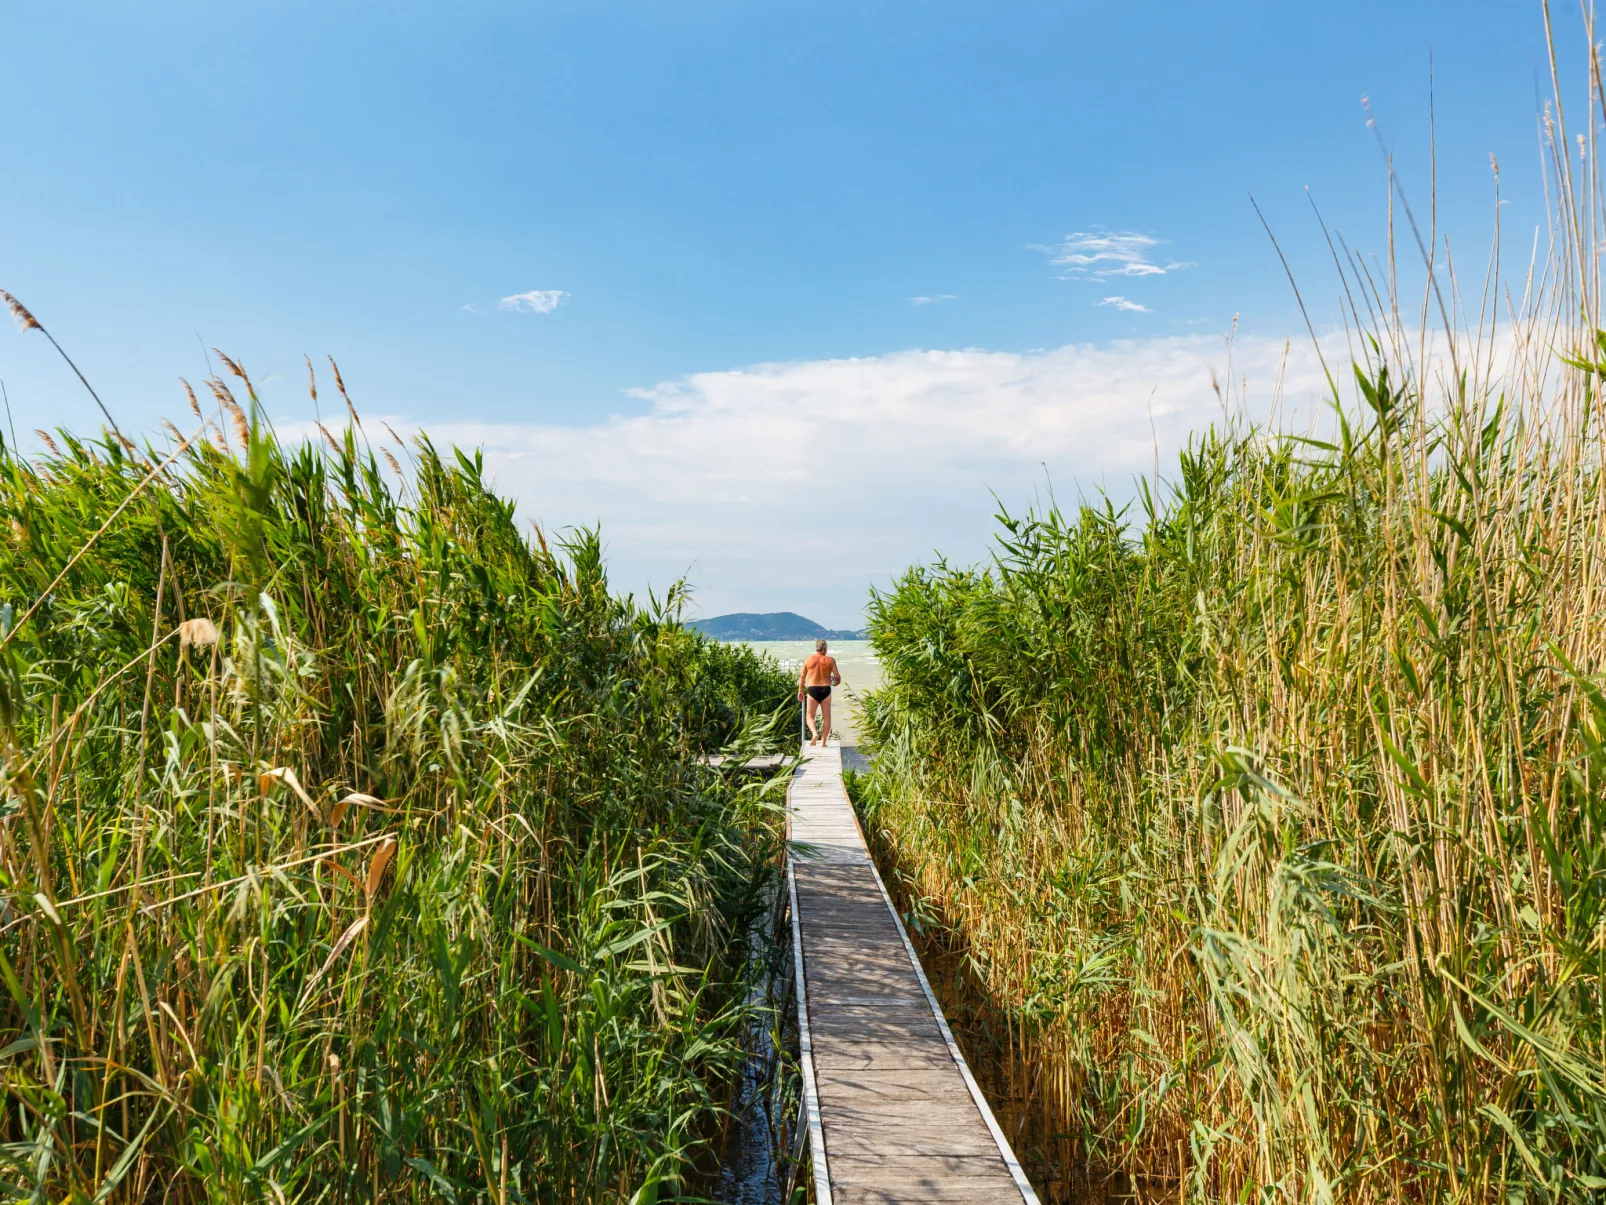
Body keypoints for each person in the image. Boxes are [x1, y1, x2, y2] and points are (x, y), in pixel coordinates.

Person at [798, 639, 843, 747]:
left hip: (812, 689)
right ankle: (823, 742)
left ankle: (814, 733)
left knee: (809, 716)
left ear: (816, 648)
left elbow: (802, 677)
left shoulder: (808, 660)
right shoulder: (830, 660)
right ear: (825, 649)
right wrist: (835, 683)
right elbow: (837, 677)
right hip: (826, 689)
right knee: (826, 717)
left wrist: (800, 691)